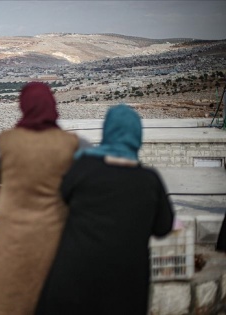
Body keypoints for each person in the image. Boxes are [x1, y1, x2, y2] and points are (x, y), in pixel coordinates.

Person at [35, 105, 174, 315]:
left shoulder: (83, 166)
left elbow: (61, 197)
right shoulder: (149, 180)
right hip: (125, 288)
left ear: (107, 131)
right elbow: (163, 227)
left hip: (74, 279)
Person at [0, 82, 79, 315]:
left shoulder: (7, 141)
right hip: (53, 233)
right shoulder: (70, 143)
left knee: (4, 294)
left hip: (12, 233)